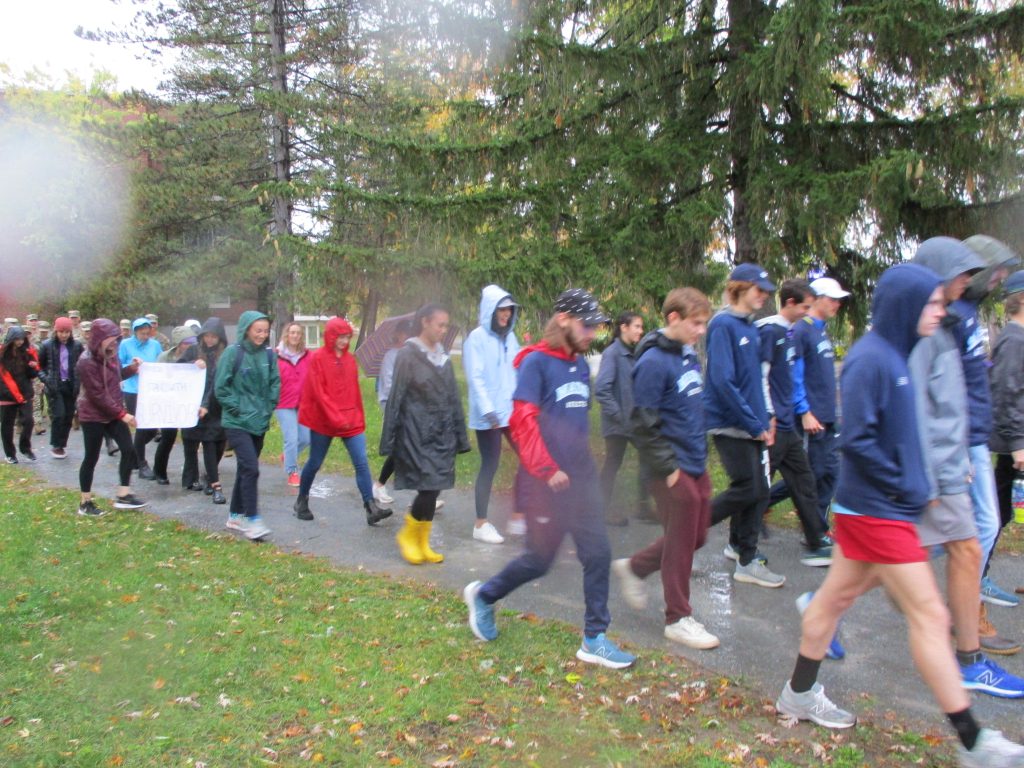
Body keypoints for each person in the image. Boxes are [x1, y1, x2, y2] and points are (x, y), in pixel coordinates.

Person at [775, 262, 1024, 767]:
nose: (941, 311)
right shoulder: (872, 360)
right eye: (933, 303)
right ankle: (973, 742)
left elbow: (898, 433)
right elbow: (858, 441)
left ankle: (797, 695)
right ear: (906, 305)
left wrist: (925, 478)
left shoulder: (899, 355)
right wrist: (909, 484)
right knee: (931, 616)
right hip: (876, 512)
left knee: (829, 602)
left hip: (879, 508)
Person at [464, 289, 636, 669]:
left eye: (596, 325)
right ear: (563, 319)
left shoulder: (577, 365)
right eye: (586, 324)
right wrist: (546, 468)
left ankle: (594, 638)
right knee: (538, 561)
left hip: (580, 480)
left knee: (599, 554)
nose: (592, 332)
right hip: (546, 483)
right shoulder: (536, 364)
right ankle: (484, 597)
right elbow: (523, 421)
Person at [910, 237, 1024, 694]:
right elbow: (925, 400)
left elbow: (965, 385)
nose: (993, 280)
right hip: (958, 448)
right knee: (973, 534)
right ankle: (967, 643)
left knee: (968, 537)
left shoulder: (963, 314)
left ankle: (968, 644)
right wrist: (955, 453)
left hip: (968, 442)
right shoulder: (939, 322)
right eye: (983, 273)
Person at [612, 287, 719, 649]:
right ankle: (677, 617)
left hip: (694, 460)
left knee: (697, 536)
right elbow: (641, 424)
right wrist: (669, 468)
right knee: (680, 540)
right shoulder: (654, 362)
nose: (701, 331)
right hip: (669, 468)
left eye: (704, 324)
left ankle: (634, 567)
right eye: (696, 323)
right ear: (674, 318)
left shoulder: (688, 356)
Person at [706, 263, 784, 587]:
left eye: (766, 291)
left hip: (753, 424)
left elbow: (755, 380)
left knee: (759, 490)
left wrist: (767, 416)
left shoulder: (751, 328)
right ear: (739, 287)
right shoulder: (723, 325)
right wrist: (754, 422)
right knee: (748, 488)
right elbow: (722, 381)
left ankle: (745, 554)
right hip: (729, 423)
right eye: (758, 289)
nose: (763, 296)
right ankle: (690, 529)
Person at [956, 235, 1020, 611]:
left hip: (979, 435)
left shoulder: (969, 315)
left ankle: (967, 600)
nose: (998, 279)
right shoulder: (1011, 339)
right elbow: (1006, 391)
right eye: (996, 272)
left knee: (986, 521)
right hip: (975, 438)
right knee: (982, 522)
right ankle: (967, 604)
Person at [381, 304, 470, 564]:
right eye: (439, 325)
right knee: (429, 487)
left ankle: (422, 540)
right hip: (415, 432)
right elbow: (396, 396)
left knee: (436, 486)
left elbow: (453, 396)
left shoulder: (442, 357)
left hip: (442, 433)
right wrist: (390, 439)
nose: (443, 330)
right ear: (424, 322)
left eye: (445, 325)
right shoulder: (408, 355)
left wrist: (459, 435)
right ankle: (409, 535)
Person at [755, 279, 832, 566]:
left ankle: (816, 540)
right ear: (789, 303)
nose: (808, 312)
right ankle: (739, 540)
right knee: (756, 487)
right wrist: (769, 416)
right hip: (775, 426)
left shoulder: (789, 333)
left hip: (788, 424)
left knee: (805, 481)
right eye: (805, 307)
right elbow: (761, 376)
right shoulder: (771, 331)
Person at [768, 276, 849, 536]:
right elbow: (795, 375)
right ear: (819, 299)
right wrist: (804, 411)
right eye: (833, 299)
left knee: (829, 473)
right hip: (811, 417)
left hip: (827, 415)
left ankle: (815, 525)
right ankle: (763, 504)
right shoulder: (801, 330)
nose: (837, 304)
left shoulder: (820, 329)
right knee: (811, 474)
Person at [293, 317, 391, 526]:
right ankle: (302, 501)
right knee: (315, 462)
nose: (344, 341)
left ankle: (370, 507)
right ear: (330, 336)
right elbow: (319, 394)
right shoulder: (318, 359)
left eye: (347, 337)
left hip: (349, 420)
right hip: (324, 420)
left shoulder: (349, 360)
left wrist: (357, 418)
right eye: (340, 337)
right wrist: (336, 417)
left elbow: (354, 392)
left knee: (361, 462)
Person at [462, 285, 523, 544]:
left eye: (509, 310)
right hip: (488, 415)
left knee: (529, 457)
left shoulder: (510, 337)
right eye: (501, 309)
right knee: (491, 464)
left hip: (510, 411)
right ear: (490, 309)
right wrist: (488, 409)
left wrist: (525, 399)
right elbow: (474, 376)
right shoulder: (476, 338)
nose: (506, 315)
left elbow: (519, 366)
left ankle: (519, 515)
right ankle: (481, 523)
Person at [215, 310, 280, 540]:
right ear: (246, 330)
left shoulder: (269, 356)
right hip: (237, 421)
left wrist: (268, 406)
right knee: (251, 468)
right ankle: (252, 519)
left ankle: (235, 515)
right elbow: (221, 387)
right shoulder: (233, 354)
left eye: (265, 331)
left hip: (259, 421)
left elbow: (275, 383)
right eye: (257, 330)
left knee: (245, 468)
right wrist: (239, 409)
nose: (262, 335)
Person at [75, 319, 146, 516]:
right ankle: (85, 502)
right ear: (99, 339)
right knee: (91, 457)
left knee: (129, 450)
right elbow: (97, 395)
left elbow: (115, 377)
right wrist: (123, 414)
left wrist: (131, 369)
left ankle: (123, 495)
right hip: (93, 415)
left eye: (116, 340)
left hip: (113, 412)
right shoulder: (86, 361)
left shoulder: (112, 356)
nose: (114, 344)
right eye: (110, 340)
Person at [988, 268, 1024, 650]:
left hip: (1017, 442)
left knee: (1005, 512)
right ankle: (976, 578)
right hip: (1012, 446)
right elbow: (1007, 394)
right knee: (997, 514)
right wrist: (1017, 444)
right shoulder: (1013, 340)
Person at [596, 310, 651, 526]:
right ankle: (601, 511)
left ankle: (643, 508)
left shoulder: (632, 352)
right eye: (637, 326)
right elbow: (601, 388)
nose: (641, 330)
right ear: (624, 328)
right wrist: (619, 415)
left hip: (634, 421)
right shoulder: (613, 353)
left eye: (641, 326)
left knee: (649, 457)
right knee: (612, 465)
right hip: (618, 424)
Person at [179, 318, 229, 503]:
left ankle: (209, 476)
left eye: (213, 336)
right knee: (192, 443)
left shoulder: (225, 354)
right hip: (194, 404)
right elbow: (177, 370)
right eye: (206, 336)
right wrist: (193, 363)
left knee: (217, 443)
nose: (209, 340)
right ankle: (193, 479)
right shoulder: (193, 350)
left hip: (216, 406)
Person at [151, 327, 200, 485]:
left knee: (190, 441)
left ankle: (190, 478)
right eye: (187, 343)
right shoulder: (165, 357)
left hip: (188, 404)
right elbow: (156, 379)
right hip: (170, 405)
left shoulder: (196, 355)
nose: (191, 345)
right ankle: (159, 471)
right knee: (168, 438)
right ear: (179, 343)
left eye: (193, 342)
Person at [118, 317, 163, 479]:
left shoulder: (155, 345)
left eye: (147, 333)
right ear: (135, 332)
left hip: (151, 390)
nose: (145, 336)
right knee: (141, 425)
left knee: (152, 427)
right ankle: (142, 464)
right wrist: (132, 367)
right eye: (142, 333)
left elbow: (161, 363)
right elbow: (118, 365)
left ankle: (133, 453)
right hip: (133, 390)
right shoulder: (125, 345)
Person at [372, 319, 410, 506]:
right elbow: (388, 384)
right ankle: (379, 485)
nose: (407, 336)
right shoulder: (391, 356)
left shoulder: (412, 354)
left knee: (411, 446)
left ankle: (425, 495)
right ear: (398, 334)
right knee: (401, 447)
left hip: (411, 406)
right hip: (393, 405)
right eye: (405, 332)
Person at [38, 317, 83, 459]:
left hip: (71, 385)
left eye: (67, 332)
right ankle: (56, 445)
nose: (64, 335)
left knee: (69, 415)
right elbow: (39, 366)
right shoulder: (46, 345)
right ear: (56, 331)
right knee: (59, 415)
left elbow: (82, 364)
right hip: (54, 385)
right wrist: (46, 379)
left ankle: (62, 444)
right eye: (61, 332)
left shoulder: (76, 346)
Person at [274, 321, 311, 487]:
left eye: (298, 333)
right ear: (287, 335)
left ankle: (287, 456)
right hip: (284, 403)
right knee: (291, 437)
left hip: (303, 402)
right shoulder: (277, 354)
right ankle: (293, 471)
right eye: (292, 332)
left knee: (306, 437)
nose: (295, 335)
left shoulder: (308, 355)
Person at [0, 326, 39, 463]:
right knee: (7, 426)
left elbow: (31, 375)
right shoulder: (2, 355)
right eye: (17, 339)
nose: (20, 342)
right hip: (6, 395)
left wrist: (33, 367)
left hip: (24, 393)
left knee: (28, 421)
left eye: (22, 339)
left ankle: (25, 448)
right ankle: (10, 454)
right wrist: (10, 393)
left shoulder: (26, 353)